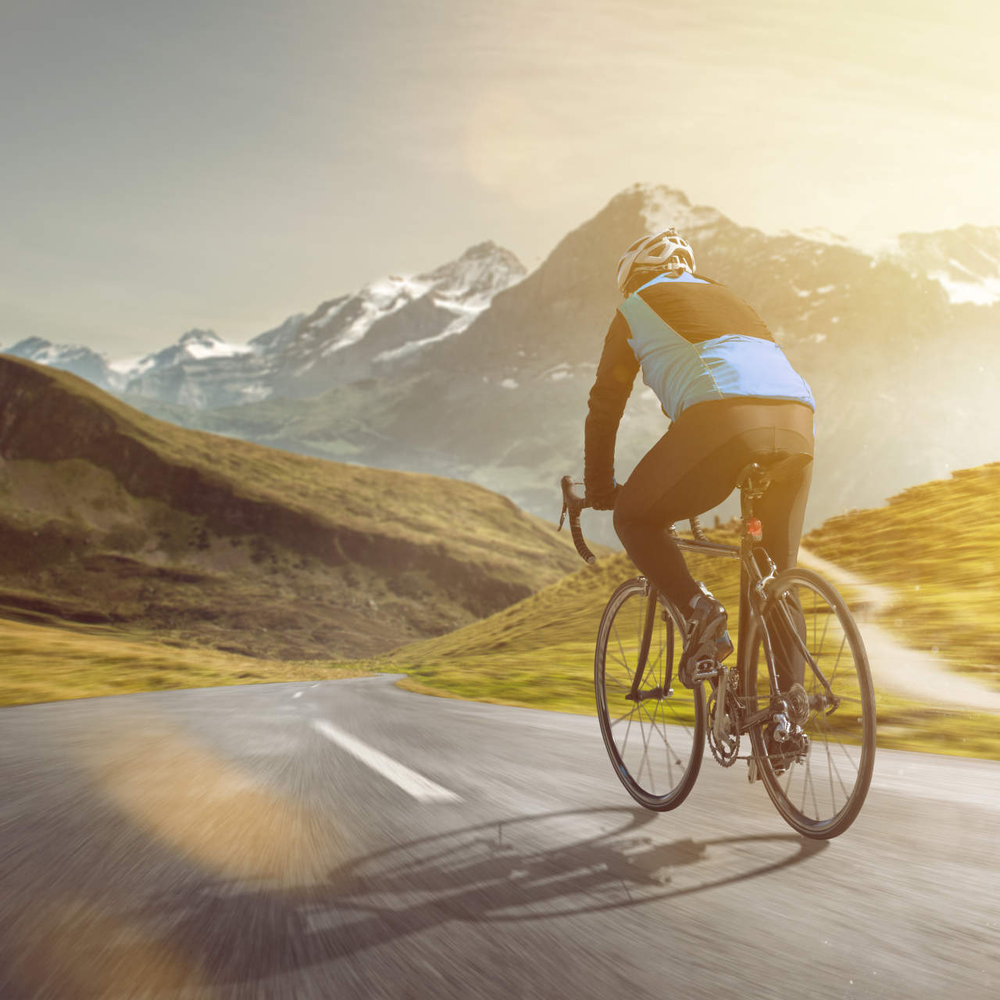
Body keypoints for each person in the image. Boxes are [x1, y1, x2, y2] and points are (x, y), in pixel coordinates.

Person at [583, 227, 815, 685]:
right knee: (777, 574)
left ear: (633, 279)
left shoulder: (634, 307)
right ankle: (789, 716)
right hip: (797, 423)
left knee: (634, 517)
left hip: (722, 421)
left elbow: (604, 405)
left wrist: (600, 488)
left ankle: (698, 609)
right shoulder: (730, 298)